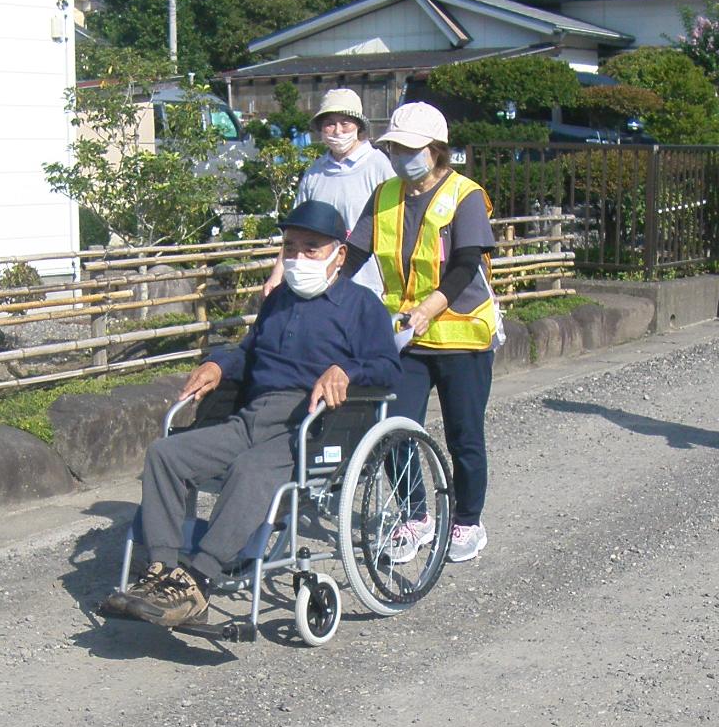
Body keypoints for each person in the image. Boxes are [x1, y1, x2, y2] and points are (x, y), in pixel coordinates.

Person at [105, 200, 399, 629]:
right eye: (290, 247)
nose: (298, 257)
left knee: (250, 470)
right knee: (166, 454)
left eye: (311, 248)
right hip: (254, 414)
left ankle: (199, 579)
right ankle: (163, 570)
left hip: (313, 425)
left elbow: (388, 368)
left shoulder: (362, 306)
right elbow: (250, 351)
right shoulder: (278, 298)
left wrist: (346, 370)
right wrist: (220, 363)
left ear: (339, 253)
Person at [342, 102, 500, 563]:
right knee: (394, 429)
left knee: (463, 435)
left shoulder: (463, 194)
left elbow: (466, 263)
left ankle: (468, 521)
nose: (401, 156)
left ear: (435, 150)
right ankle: (415, 516)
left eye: (411, 148)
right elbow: (354, 254)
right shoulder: (386, 194)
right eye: (394, 147)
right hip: (406, 335)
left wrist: (432, 307)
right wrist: (321, 289)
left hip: (461, 334)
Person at [263, 88, 396, 298]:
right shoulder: (315, 172)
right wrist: (277, 275)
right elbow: (294, 232)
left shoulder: (379, 167)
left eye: (345, 123)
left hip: (368, 283)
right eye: (330, 124)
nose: (337, 131)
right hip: (317, 283)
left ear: (358, 126)